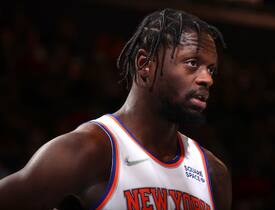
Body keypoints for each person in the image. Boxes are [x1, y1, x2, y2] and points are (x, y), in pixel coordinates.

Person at [0, 8, 231, 210]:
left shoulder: (213, 174)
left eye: (211, 69)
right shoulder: (89, 150)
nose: (207, 79)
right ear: (144, 64)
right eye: (192, 63)